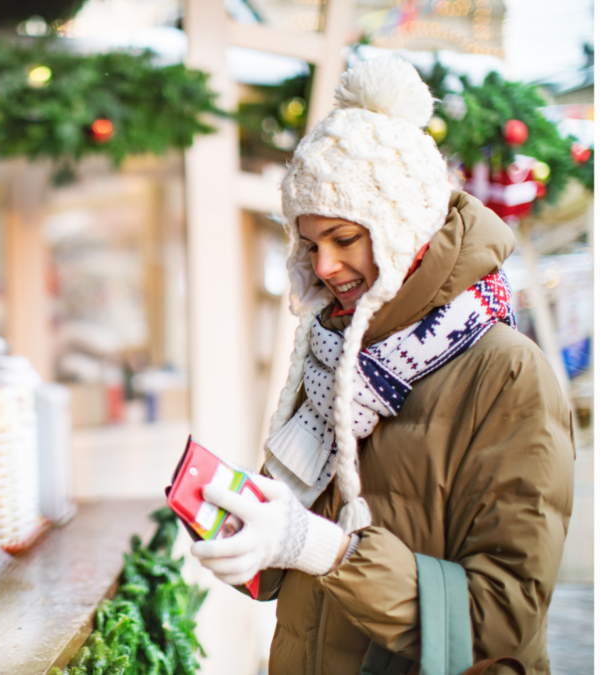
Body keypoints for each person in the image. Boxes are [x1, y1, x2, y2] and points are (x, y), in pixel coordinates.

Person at [188, 57, 574, 673]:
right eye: (311, 244)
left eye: (345, 238)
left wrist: (329, 550)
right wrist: (249, 539)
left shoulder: (506, 373)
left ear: (403, 229)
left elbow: (503, 616)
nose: (324, 266)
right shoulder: (329, 358)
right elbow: (295, 574)